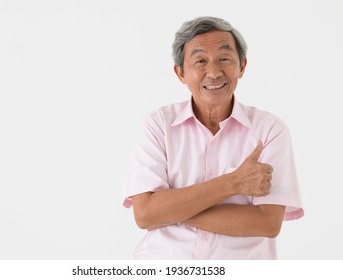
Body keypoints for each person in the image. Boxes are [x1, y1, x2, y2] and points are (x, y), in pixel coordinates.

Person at [122, 16, 304, 259]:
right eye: (200, 61)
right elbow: (145, 215)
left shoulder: (270, 130)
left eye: (224, 59)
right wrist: (233, 183)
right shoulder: (158, 126)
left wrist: (170, 210)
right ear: (180, 73)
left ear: (242, 66)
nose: (214, 72)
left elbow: (267, 223)